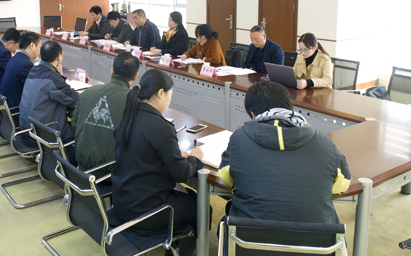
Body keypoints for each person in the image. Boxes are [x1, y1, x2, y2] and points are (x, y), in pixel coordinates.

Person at [218, 81, 350, 224]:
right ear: (290, 107)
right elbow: (342, 185)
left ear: (252, 114)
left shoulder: (239, 139)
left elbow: (226, 176)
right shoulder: (325, 144)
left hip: (248, 236)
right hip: (316, 236)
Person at [111, 69, 203, 256]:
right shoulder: (161, 126)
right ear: (161, 93)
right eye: (170, 96)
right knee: (200, 208)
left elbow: (144, 154)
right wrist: (195, 158)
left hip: (122, 202)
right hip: (146, 211)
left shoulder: (129, 116)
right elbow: (181, 174)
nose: (169, 101)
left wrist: (174, 156)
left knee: (186, 198)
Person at [71, 52, 140, 172]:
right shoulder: (135, 102)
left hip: (81, 170)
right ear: (135, 77)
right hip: (114, 173)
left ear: (112, 71)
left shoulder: (87, 93)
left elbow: (75, 124)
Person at [19, 40, 78, 147]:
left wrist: (58, 74)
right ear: (58, 57)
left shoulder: (33, 71)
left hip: (28, 130)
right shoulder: (52, 78)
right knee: (81, 132)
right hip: (45, 136)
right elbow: (75, 99)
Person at [0, 32, 42, 121]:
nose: (40, 51)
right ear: (32, 45)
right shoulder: (25, 65)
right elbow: (34, 92)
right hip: (16, 113)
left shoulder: (16, 57)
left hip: (7, 109)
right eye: (39, 47)